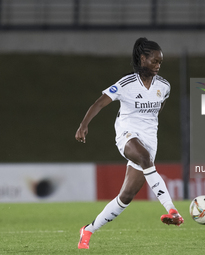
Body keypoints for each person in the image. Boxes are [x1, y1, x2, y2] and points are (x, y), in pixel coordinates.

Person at [75, 37, 184, 249]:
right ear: (142, 59)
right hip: (126, 133)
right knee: (144, 158)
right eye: (154, 61)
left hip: (150, 139)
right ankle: (172, 210)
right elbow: (100, 103)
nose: (158, 65)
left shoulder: (164, 86)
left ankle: (88, 230)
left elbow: (159, 107)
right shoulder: (126, 84)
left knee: (126, 196)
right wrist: (83, 125)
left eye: (160, 62)